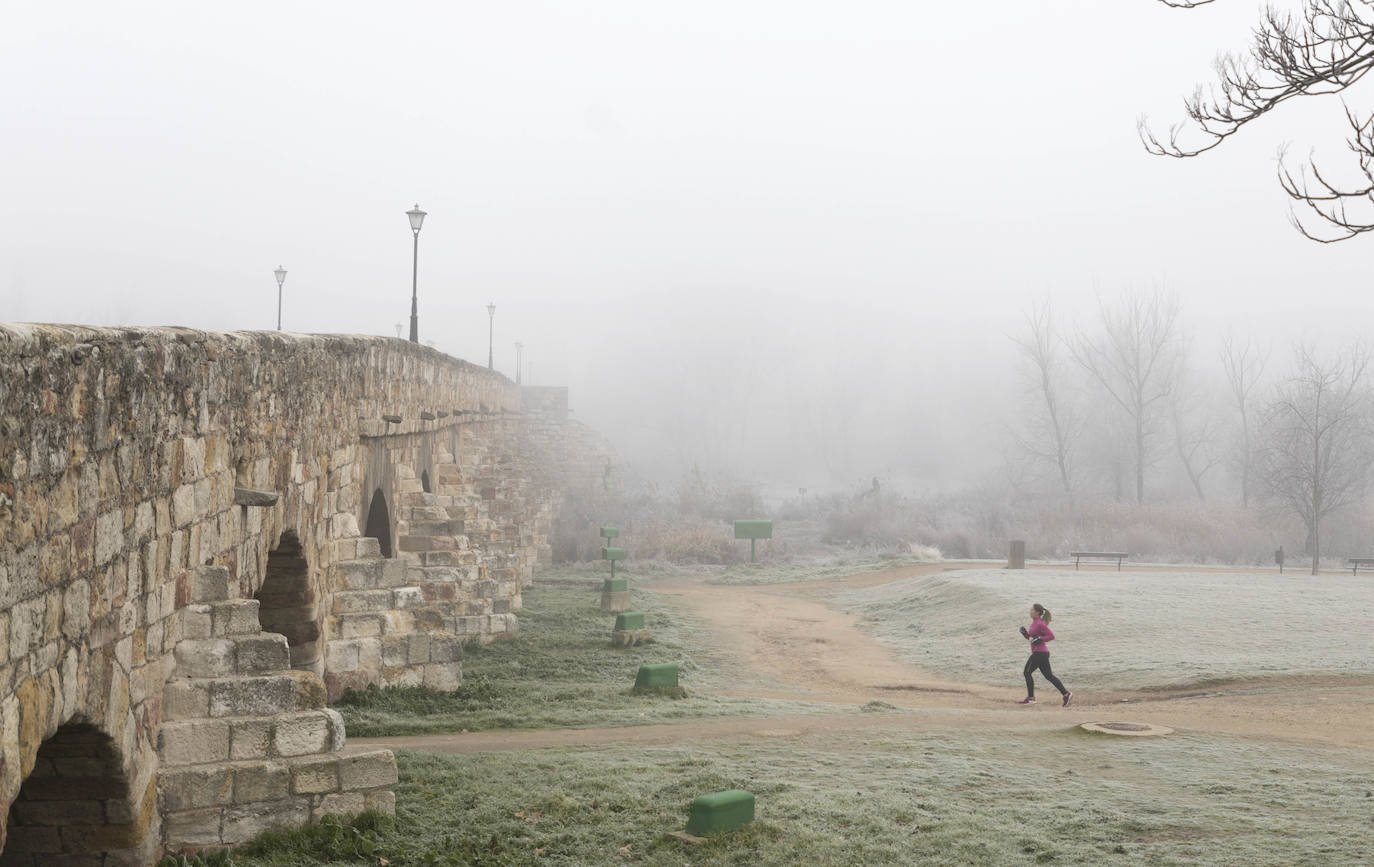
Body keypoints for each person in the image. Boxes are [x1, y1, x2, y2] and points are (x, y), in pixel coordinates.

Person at [1018, 603, 1071, 706]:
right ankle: (1066, 694)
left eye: (1031, 610)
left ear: (1037, 612)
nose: (1030, 611)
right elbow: (1032, 640)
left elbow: (1051, 636)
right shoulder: (1034, 623)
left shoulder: (1040, 624)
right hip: (1042, 653)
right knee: (1049, 676)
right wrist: (1025, 634)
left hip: (1039, 653)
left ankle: (1031, 698)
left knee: (1027, 672)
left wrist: (1040, 639)